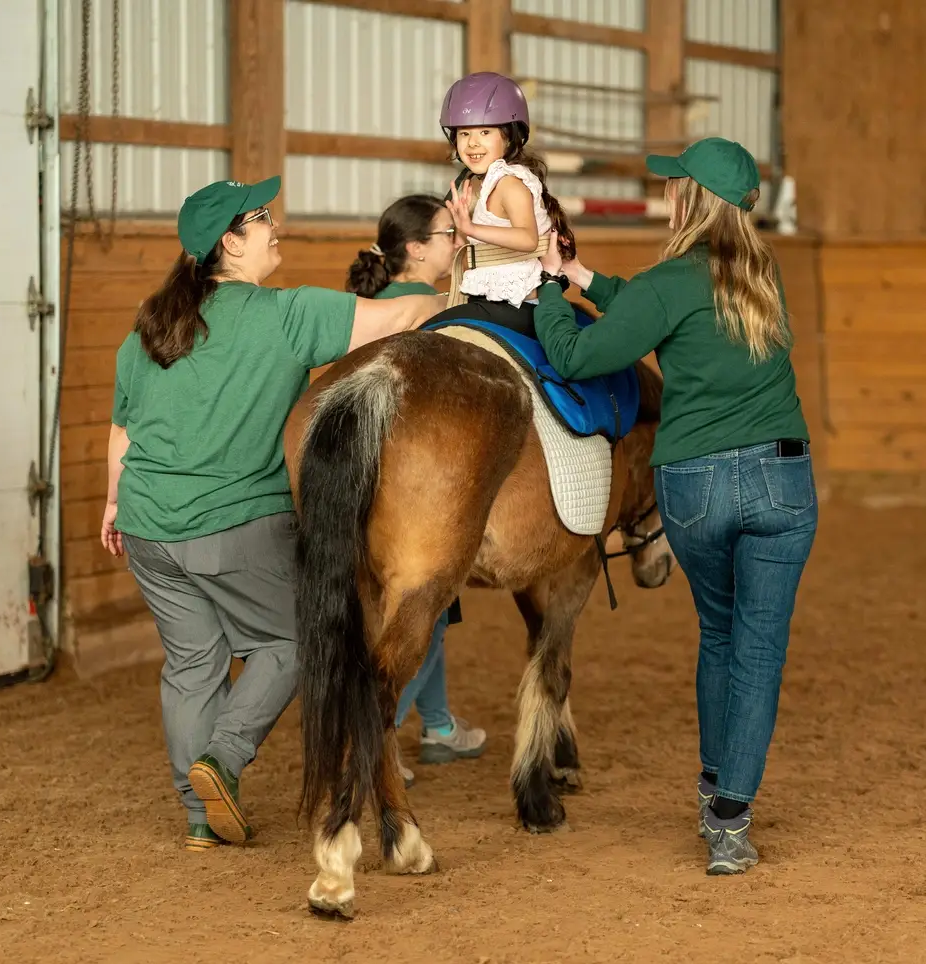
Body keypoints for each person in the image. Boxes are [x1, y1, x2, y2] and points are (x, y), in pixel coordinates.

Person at [99, 175, 442, 852]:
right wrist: (456, 291)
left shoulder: (150, 325)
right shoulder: (288, 313)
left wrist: (113, 502)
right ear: (230, 243)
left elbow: (123, 431)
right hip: (232, 524)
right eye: (261, 217)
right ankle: (223, 758)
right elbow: (402, 317)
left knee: (192, 664)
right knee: (293, 642)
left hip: (145, 527)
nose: (274, 224)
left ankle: (200, 817)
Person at [532, 137, 818, 876]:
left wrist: (550, 292)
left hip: (695, 483)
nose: (665, 194)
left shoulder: (669, 282)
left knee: (719, 634)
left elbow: (579, 356)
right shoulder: (763, 276)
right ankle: (728, 816)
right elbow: (661, 308)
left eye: (673, 185)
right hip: (783, 479)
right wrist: (584, 276)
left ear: (689, 200)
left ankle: (716, 786)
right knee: (759, 650)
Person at [346, 194, 488, 788]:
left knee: (427, 611)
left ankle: (439, 723)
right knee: (423, 612)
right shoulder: (434, 307)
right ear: (415, 249)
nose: (457, 242)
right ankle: (380, 733)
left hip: (363, 477)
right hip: (415, 481)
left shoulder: (368, 305)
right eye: (448, 233)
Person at [431, 71, 574, 335]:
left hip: (518, 302)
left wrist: (471, 228)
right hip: (495, 297)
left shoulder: (509, 183)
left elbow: (527, 238)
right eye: (464, 133)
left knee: (429, 329)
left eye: (485, 132)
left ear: (509, 137)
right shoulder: (482, 181)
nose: (472, 143)